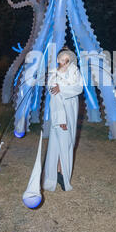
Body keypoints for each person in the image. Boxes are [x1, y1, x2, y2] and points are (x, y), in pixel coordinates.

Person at [42, 47, 83, 192]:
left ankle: (61, 172)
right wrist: (61, 120)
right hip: (59, 114)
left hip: (72, 110)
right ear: (58, 59)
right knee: (59, 144)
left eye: (68, 58)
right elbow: (55, 96)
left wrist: (63, 88)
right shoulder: (53, 74)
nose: (65, 61)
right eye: (62, 58)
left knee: (69, 143)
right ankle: (57, 177)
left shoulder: (74, 71)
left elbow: (78, 88)